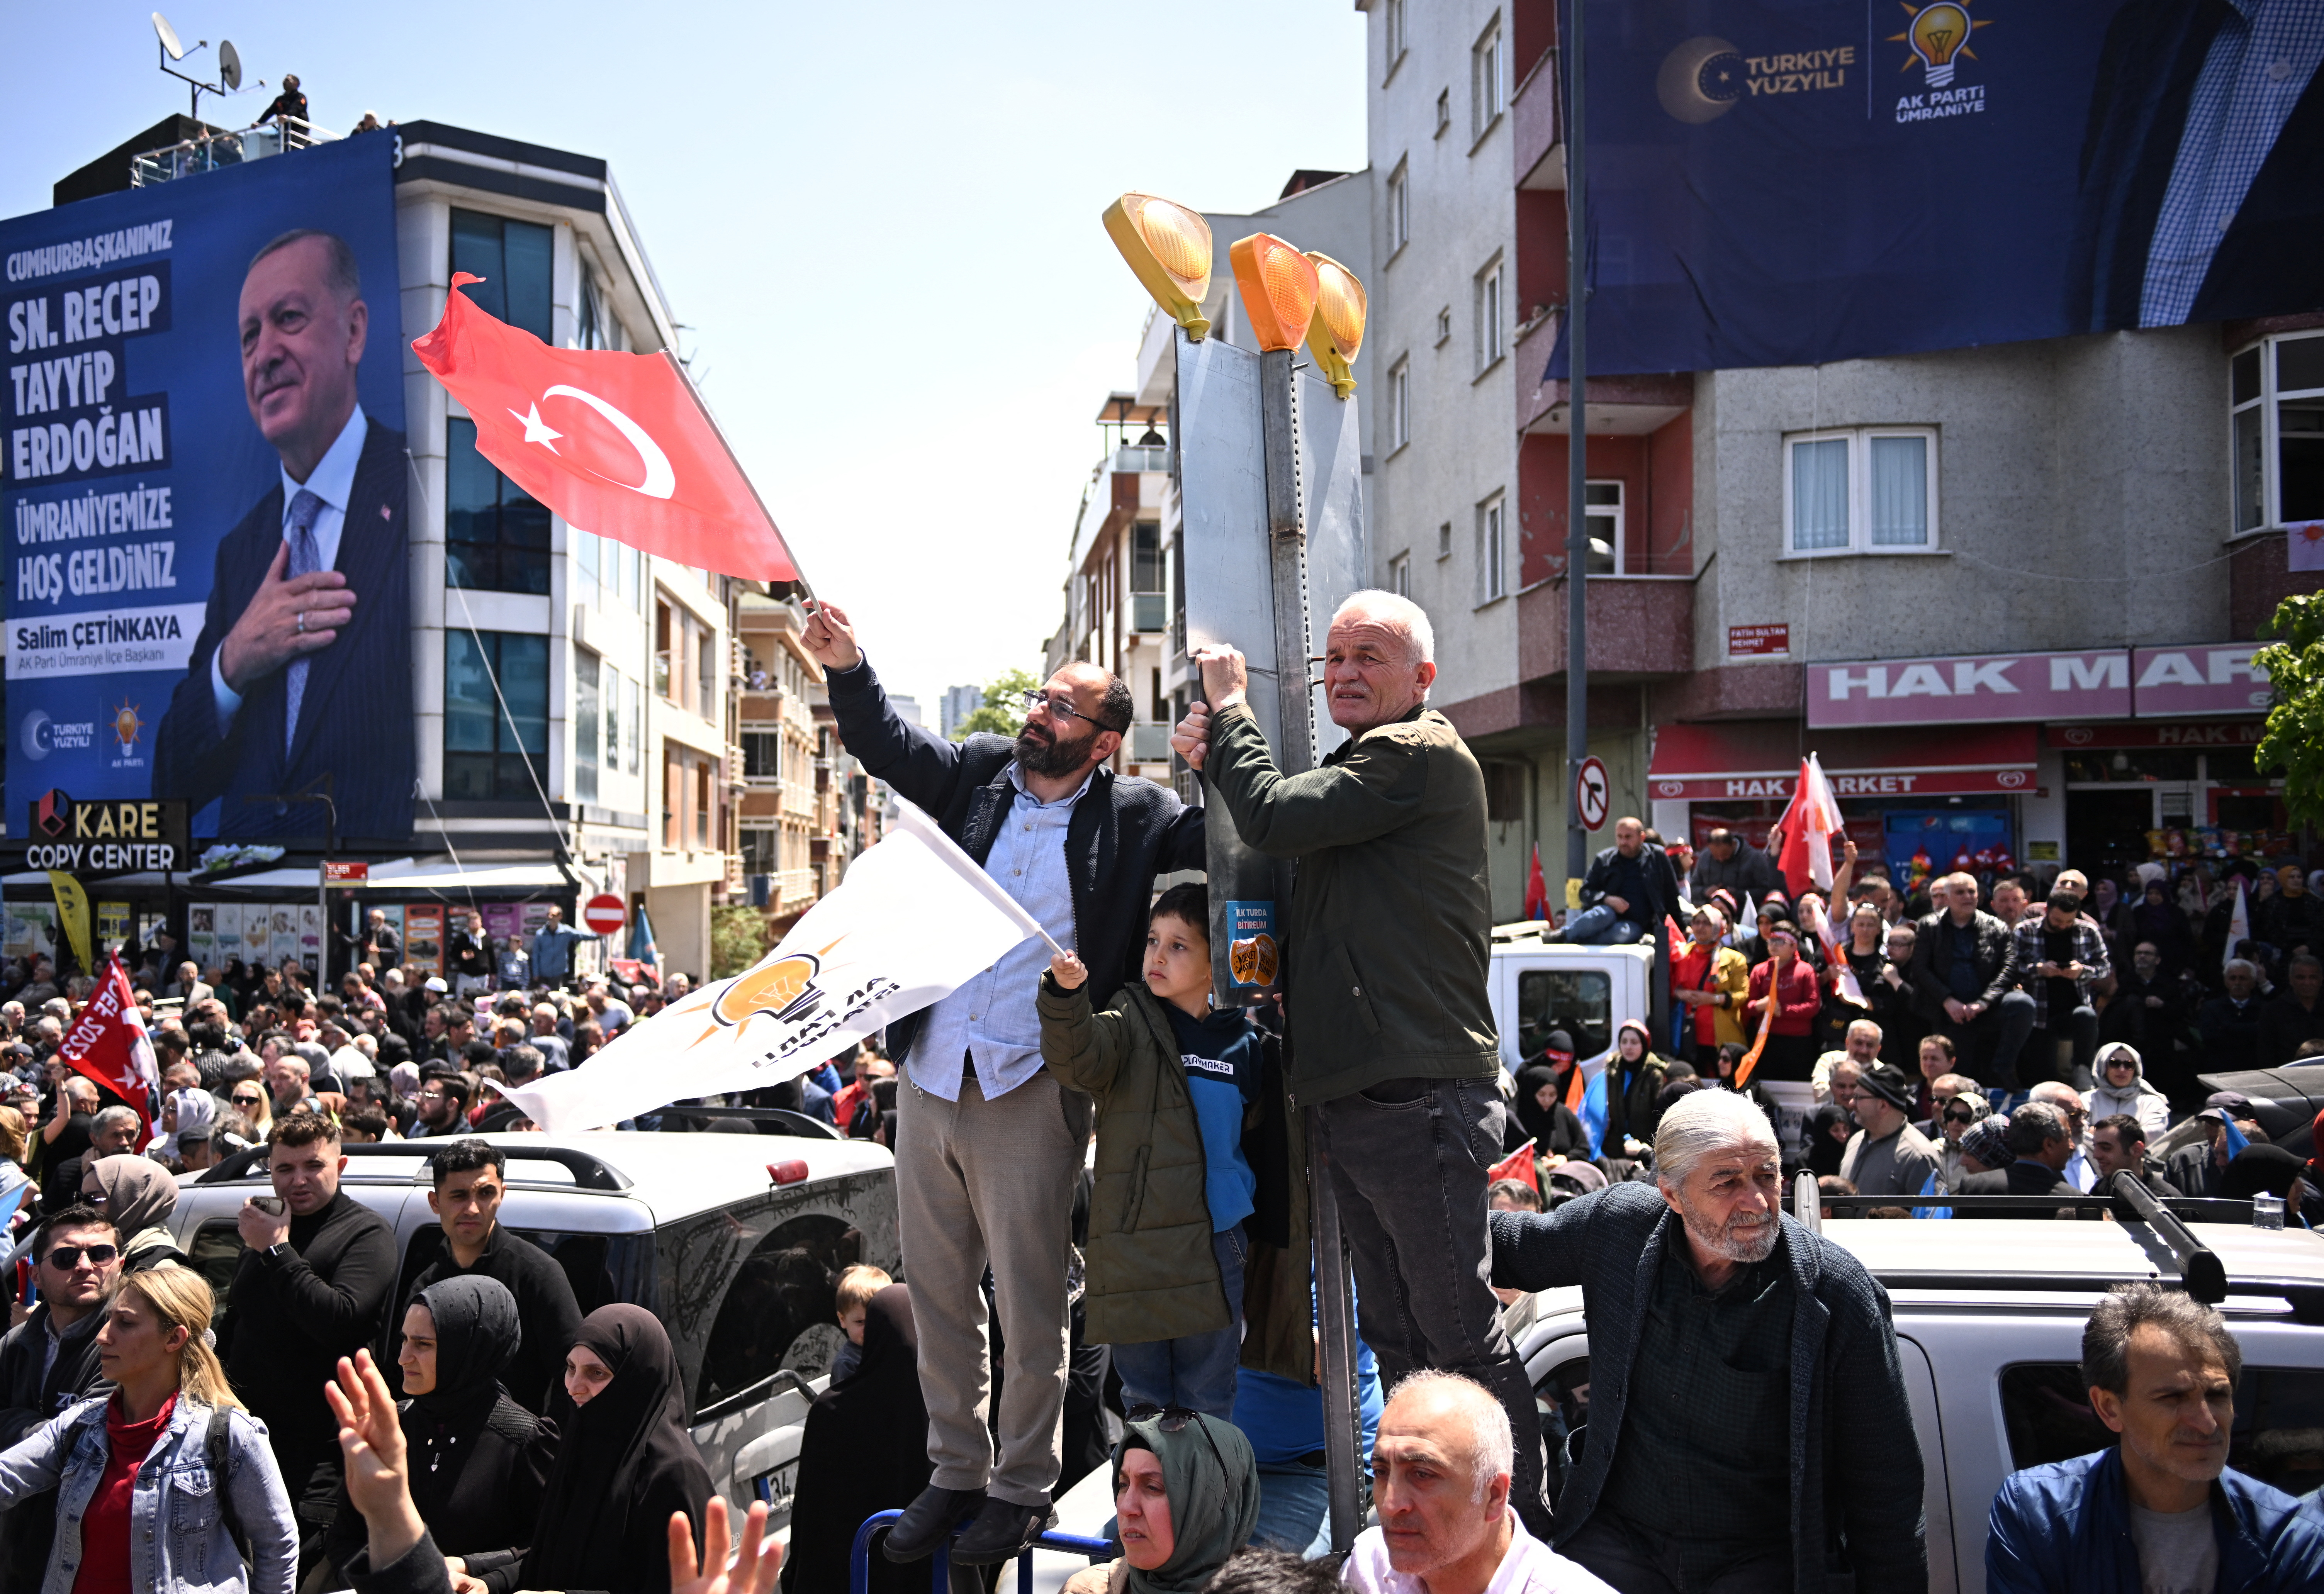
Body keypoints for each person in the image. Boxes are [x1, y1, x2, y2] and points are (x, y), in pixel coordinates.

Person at [803, 597, 1204, 1565]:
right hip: (932, 1068)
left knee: (1029, 1300)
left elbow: (1225, 854)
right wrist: (849, 666)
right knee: (939, 1292)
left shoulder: (1140, 815)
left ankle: (1021, 1483)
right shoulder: (980, 773)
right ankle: (955, 1467)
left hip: (1033, 1077)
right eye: (1038, 697)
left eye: (1062, 708)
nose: (1037, 713)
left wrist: (1219, 741)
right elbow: (890, 746)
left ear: (1104, 742)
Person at [1175, 590, 1551, 1536]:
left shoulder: (1413, 752)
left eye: (1367, 656)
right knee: (1398, 1335)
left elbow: (1271, 814)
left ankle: (1525, 1537)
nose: (1342, 672)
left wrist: (1231, 711)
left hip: (1414, 1092)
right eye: (1332, 657)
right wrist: (1216, 759)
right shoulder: (1370, 765)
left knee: (1455, 1331)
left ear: (1423, 678)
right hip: (1364, 1095)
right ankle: (1430, 1526)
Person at [1486, 1089, 1926, 1590]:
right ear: (1672, 1195)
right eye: (1727, 1182)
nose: (1756, 1202)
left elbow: (1886, 1488)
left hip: (1760, 1561)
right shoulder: (1618, 1230)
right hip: (1618, 1540)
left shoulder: (1834, 1295)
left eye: (1766, 1176)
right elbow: (1501, 1246)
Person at [154, 229, 413, 839]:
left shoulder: (422, 489)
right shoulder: (240, 552)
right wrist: (235, 660)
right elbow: (170, 787)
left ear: (354, 332)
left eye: (289, 319)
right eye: (250, 337)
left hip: (376, 887)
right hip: (249, 895)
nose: (264, 354)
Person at [1042, 883, 1258, 1421]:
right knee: (1144, 1406)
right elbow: (1078, 1060)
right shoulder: (1127, 1018)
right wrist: (1066, 998)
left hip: (1218, 1240)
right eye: (1153, 940)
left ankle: (1204, 1482)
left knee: (1208, 1402)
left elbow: (1259, 1139)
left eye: (1178, 946)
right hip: (1137, 1245)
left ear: (1215, 965)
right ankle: (1150, 1481)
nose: (1157, 956)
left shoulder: (1246, 1043)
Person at [1986, 1284, 2324, 1591]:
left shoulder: (2290, 1535)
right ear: (2109, 1409)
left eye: (2217, 1395)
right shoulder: (2037, 1511)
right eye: (2172, 1398)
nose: (2206, 1423)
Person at [0, 1266, 298, 1594]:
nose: (103, 1336)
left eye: (125, 1323)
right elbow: (7, 1476)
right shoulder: (81, 1424)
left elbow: (278, 1545)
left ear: (174, 1339)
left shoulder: (229, 1434)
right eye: (109, 1320)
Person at [218, 1110, 398, 1553]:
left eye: (313, 1166)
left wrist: (277, 1250)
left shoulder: (365, 1232)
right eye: (285, 1169)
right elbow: (239, 1319)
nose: (298, 1180)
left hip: (317, 1455)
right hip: (244, 1439)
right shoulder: (268, 1228)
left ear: (340, 1166)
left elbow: (339, 1321)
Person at [323, 1276, 553, 1594]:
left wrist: (478, 1574)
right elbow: (344, 1537)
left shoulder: (522, 1439)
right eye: (404, 1340)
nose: (403, 1357)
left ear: (469, 1350)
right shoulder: (392, 1426)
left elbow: (545, 1551)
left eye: (423, 1344)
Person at [1342, 1370, 1615, 1594]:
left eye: (1422, 1475)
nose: (1390, 1506)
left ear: (1494, 1495)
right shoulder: (1369, 1565)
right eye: (1381, 1471)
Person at [522, 1306, 713, 1594]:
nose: (574, 1387)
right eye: (571, 1368)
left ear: (636, 1379)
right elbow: (551, 1558)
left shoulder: (675, 1476)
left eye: (597, 1373)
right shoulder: (581, 1448)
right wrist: (487, 1579)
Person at [397, 1141, 582, 1416]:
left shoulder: (537, 1274)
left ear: (502, 1194)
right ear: (435, 1202)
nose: (472, 1208)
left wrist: (545, 1437)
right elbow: (404, 1372)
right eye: (459, 1195)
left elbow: (575, 1374)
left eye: (485, 1193)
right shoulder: (426, 1284)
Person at [0, 1205, 123, 1589]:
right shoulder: (16, 1342)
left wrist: (14, 1421)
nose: (86, 1266)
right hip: (17, 1547)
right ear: (35, 1274)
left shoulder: (130, 1345)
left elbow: (89, 1445)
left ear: (120, 1265)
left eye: (101, 1254)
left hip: (90, 1558)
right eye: (67, 1257)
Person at [780, 1283, 930, 1592]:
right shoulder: (945, 1408)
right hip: (927, 1575)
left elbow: (810, 1515)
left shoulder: (830, 1411)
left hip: (849, 1576)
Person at [1059, 1408, 1260, 1594]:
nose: (1127, 1507)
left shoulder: (1270, 1588)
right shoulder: (1086, 1589)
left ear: (1209, 1505)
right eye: (1123, 1484)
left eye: (1153, 1487)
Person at [1908, 872, 2034, 1089]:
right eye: (1960, 892)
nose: (1967, 897)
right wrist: (1948, 1000)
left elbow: (2009, 968)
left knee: (2022, 1004)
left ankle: (2003, 1067)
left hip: (1986, 1005)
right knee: (1962, 1077)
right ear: (1947, 898)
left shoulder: (1996, 926)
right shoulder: (1929, 926)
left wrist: (1984, 1002)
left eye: (1971, 892)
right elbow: (1920, 969)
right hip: (1947, 1009)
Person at [2011, 875, 2109, 1089]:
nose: (2063, 926)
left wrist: (2082, 971)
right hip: (2038, 1013)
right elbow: (2011, 966)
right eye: (2057, 921)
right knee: (2043, 1077)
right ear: (2047, 911)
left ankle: (2083, 1069)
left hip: (2073, 1009)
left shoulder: (2089, 931)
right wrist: (2038, 969)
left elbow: (2104, 967)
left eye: (2068, 922)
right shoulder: (2025, 931)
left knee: (2087, 1016)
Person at [1557, 818, 1680, 946]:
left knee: (1621, 934)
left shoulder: (1657, 857)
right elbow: (1585, 892)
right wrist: (1606, 899)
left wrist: (1680, 929)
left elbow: (1671, 895)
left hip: (1636, 925)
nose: (1623, 842)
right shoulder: (1604, 859)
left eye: (1628, 837)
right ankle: (1563, 936)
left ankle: (1578, 942)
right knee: (1603, 914)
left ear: (1642, 837)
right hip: (1605, 916)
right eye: (1620, 837)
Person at [1837, 1062, 1943, 1200]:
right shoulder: (1855, 1141)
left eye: (1858, 1097)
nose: (1852, 1103)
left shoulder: (1918, 1156)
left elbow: (1930, 1212)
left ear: (1883, 1106)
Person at [1671, 906, 1749, 1071]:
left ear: (1718, 927)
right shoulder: (1680, 954)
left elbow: (1743, 995)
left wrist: (1715, 999)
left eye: (1707, 923)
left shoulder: (1735, 959)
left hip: (1722, 1036)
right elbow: (1668, 988)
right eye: (1697, 922)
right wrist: (1680, 994)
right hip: (1687, 1034)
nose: (1700, 927)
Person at [81, 1154, 190, 1271]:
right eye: (78, 1198)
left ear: (128, 1201)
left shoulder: (161, 1269)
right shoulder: (91, 1252)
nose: (81, 1208)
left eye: (92, 1199)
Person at [1742, 925, 1822, 1081]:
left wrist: (1783, 1010)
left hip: (1797, 1042)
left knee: (1796, 1085)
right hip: (1766, 1039)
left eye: (1780, 941)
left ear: (1794, 946)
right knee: (1766, 1083)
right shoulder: (1760, 970)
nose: (1773, 945)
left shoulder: (1805, 971)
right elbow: (1748, 1005)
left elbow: (1813, 1006)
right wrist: (1760, 1005)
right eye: (1771, 941)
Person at [2083, 1043, 2170, 1142]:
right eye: (2115, 1063)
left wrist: (2100, 1133)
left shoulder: (2152, 1102)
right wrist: (2131, 1135)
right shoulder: (2088, 1099)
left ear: (2136, 1069)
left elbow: (2154, 1134)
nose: (2122, 1070)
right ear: (2103, 1066)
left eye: (2129, 1065)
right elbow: (2078, 1133)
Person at [827, 1263, 893, 1387]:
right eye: (860, 1322)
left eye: (876, 1320)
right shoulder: (847, 1364)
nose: (869, 1329)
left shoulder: (894, 1346)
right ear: (843, 1320)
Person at [2197, 960, 2267, 1073]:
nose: (2238, 983)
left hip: (2255, 1069)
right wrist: (2252, 1028)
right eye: (2233, 978)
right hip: (2220, 1070)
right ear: (2226, 982)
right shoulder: (2211, 1008)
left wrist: (2227, 1027)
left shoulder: (2266, 1009)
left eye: (2243, 978)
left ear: (2253, 983)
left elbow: (2265, 1039)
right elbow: (2210, 1039)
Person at [2258, 952, 2324, 1067]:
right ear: (2291, 979)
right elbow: (2266, 1054)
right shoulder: (2273, 1011)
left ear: (2321, 979)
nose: (2307, 983)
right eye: (2301, 978)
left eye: (2313, 977)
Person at [2089, 1115, 2180, 1198]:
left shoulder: (2168, 1200)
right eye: (2095, 1146)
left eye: (2106, 1148)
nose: (2096, 1155)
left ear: (2137, 1150)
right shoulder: (2100, 1190)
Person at [1691, 828, 1782, 906]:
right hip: (1712, 913)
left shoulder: (1755, 858)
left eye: (1725, 855)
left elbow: (1766, 890)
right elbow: (1693, 889)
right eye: (1716, 857)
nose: (1721, 859)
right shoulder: (1705, 857)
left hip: (1744, 913)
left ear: (1734, 844)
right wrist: (1704, 892)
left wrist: (1738, 894)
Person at [528, 907, 590, 989]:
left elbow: (582, 935)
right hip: (543, 973)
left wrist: (599, 935)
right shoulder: (541, 934)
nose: (550, 917)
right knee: (543, 994)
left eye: (553, 915)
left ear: (560, 917)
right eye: (549, 915)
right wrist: (536, 973)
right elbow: (535, 955)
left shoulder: (565, 931)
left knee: (556, 994)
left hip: (558, 973)